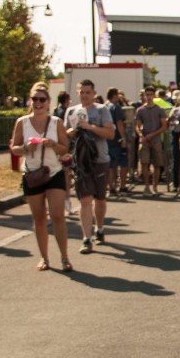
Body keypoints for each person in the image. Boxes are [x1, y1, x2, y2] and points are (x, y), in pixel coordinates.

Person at [10, 83, 73, 271]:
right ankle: (44, 258)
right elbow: (14, 148)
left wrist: (53, 144)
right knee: (38, 218)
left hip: (53, 173)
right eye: (34, 99)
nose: (38, 103)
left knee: (57, 216)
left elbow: (65, 148)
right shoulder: (22, 122)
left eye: (41, 99)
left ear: (48, 102)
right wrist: (25, 148)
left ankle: (64, 257)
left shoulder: (56, 122)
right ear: (30, 101)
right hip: (32, 175)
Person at [64, 79, 115, 254]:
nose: (84, 95)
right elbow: (64, 137)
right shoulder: (71, 111)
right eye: (82, 92)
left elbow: (110, 133)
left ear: (93, 93)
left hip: (100, 160)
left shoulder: (102, 110)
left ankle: (99, 228)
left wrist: (90, 127)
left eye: (88, 92)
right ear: (77, 93)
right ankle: (86, 239)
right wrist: (71, 132)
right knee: (85, 201)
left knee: (99, 199)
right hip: (80, 162)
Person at [135, 86, 168, 195]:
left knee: (157, 164)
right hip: (145, 140)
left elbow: (164, 126)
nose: (148, 97)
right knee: (145, 163)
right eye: (147, 94)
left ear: (154, 96)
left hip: (156, 139)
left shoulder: (159, 110)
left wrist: (152, 135)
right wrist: (141, 135)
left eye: (150, 94)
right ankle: (147, 187)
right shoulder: (140, 110)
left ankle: (155, 186)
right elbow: (138, 126)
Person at [106, 87, 129, 197]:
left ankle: (111, 187)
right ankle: (123, 186)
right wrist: (123, 138)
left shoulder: (103, 107)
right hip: (116, 139)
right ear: (115, 95)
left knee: (109, 165)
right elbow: (119, 123)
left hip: (106, 139)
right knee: (123, 163)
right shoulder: (116, 107)